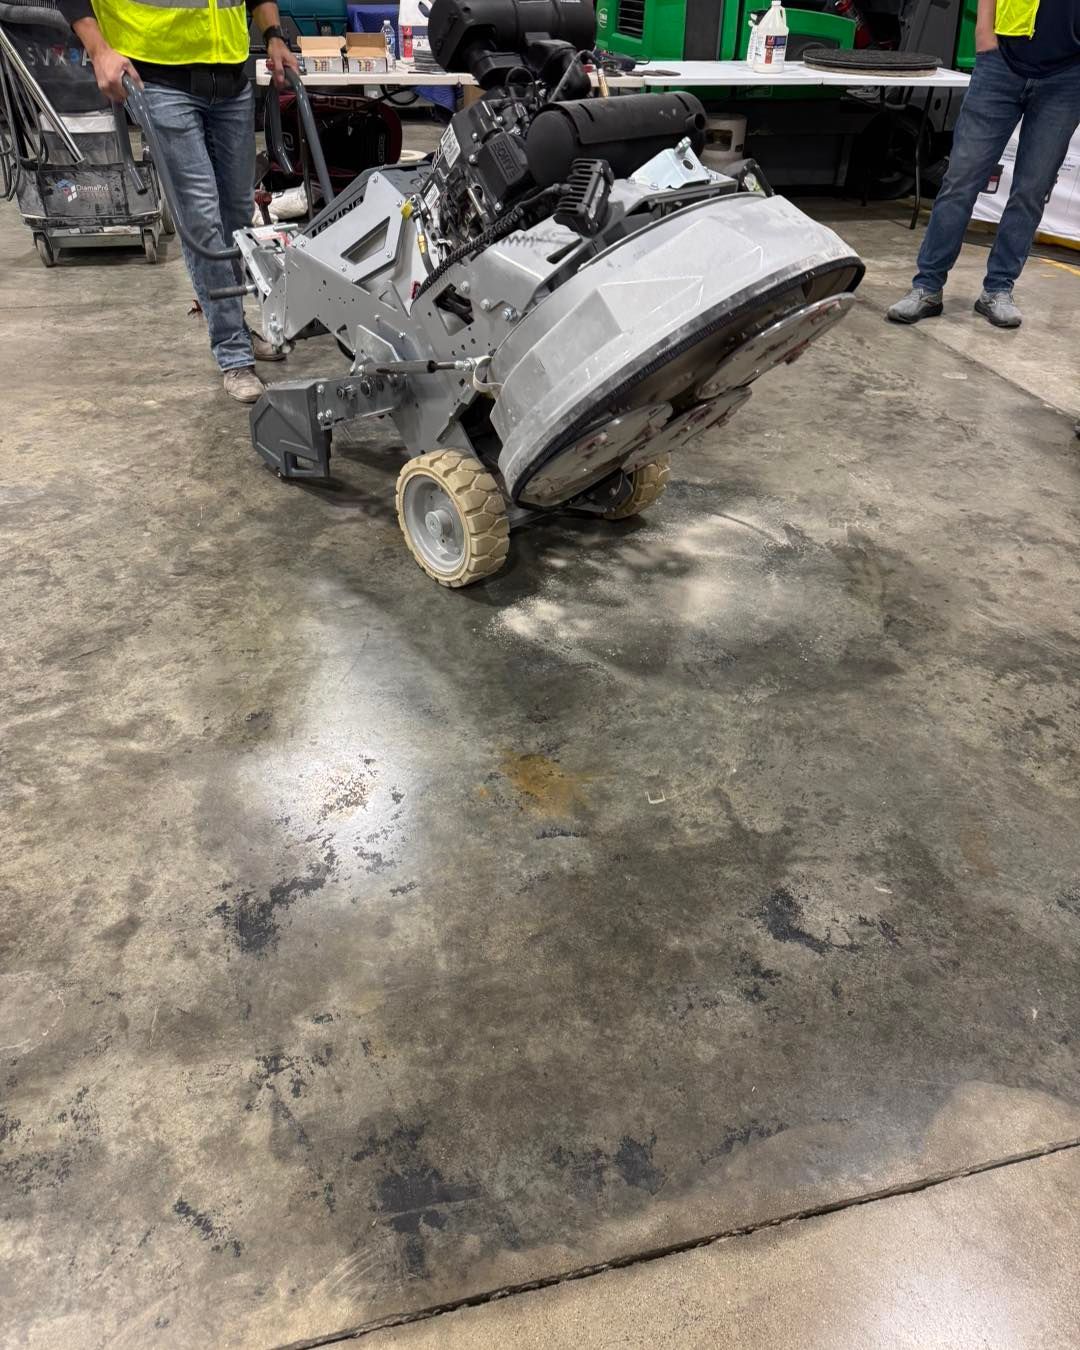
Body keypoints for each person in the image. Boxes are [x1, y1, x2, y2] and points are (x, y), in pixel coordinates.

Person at [57, 0, 300, 401]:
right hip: (157, 80)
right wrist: (99, 50)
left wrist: (274, 35)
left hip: (231, 78)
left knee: (238, 218)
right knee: (201, 217)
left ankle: (236, 327)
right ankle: (233, 352)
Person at [888, 0, 1080, 329]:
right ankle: (927, 286)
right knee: (961, 181)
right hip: (1002, 60)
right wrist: (984, 34)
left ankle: (998, 289)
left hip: (1067, 77)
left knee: (1032, 190)